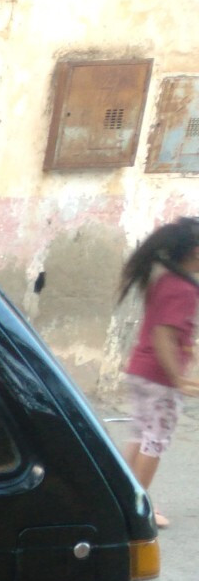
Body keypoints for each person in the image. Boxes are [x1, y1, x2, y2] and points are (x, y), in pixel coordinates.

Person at [120, 217, 199, 528]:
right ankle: (135, 509)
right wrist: (177, 379)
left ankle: (122, 496)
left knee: (140, 436)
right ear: (196, 252)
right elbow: (163, 334)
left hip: (142, 371)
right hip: (159, 378)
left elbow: (168, 330)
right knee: (154, 441)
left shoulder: (165, 280)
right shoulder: (182, 288)